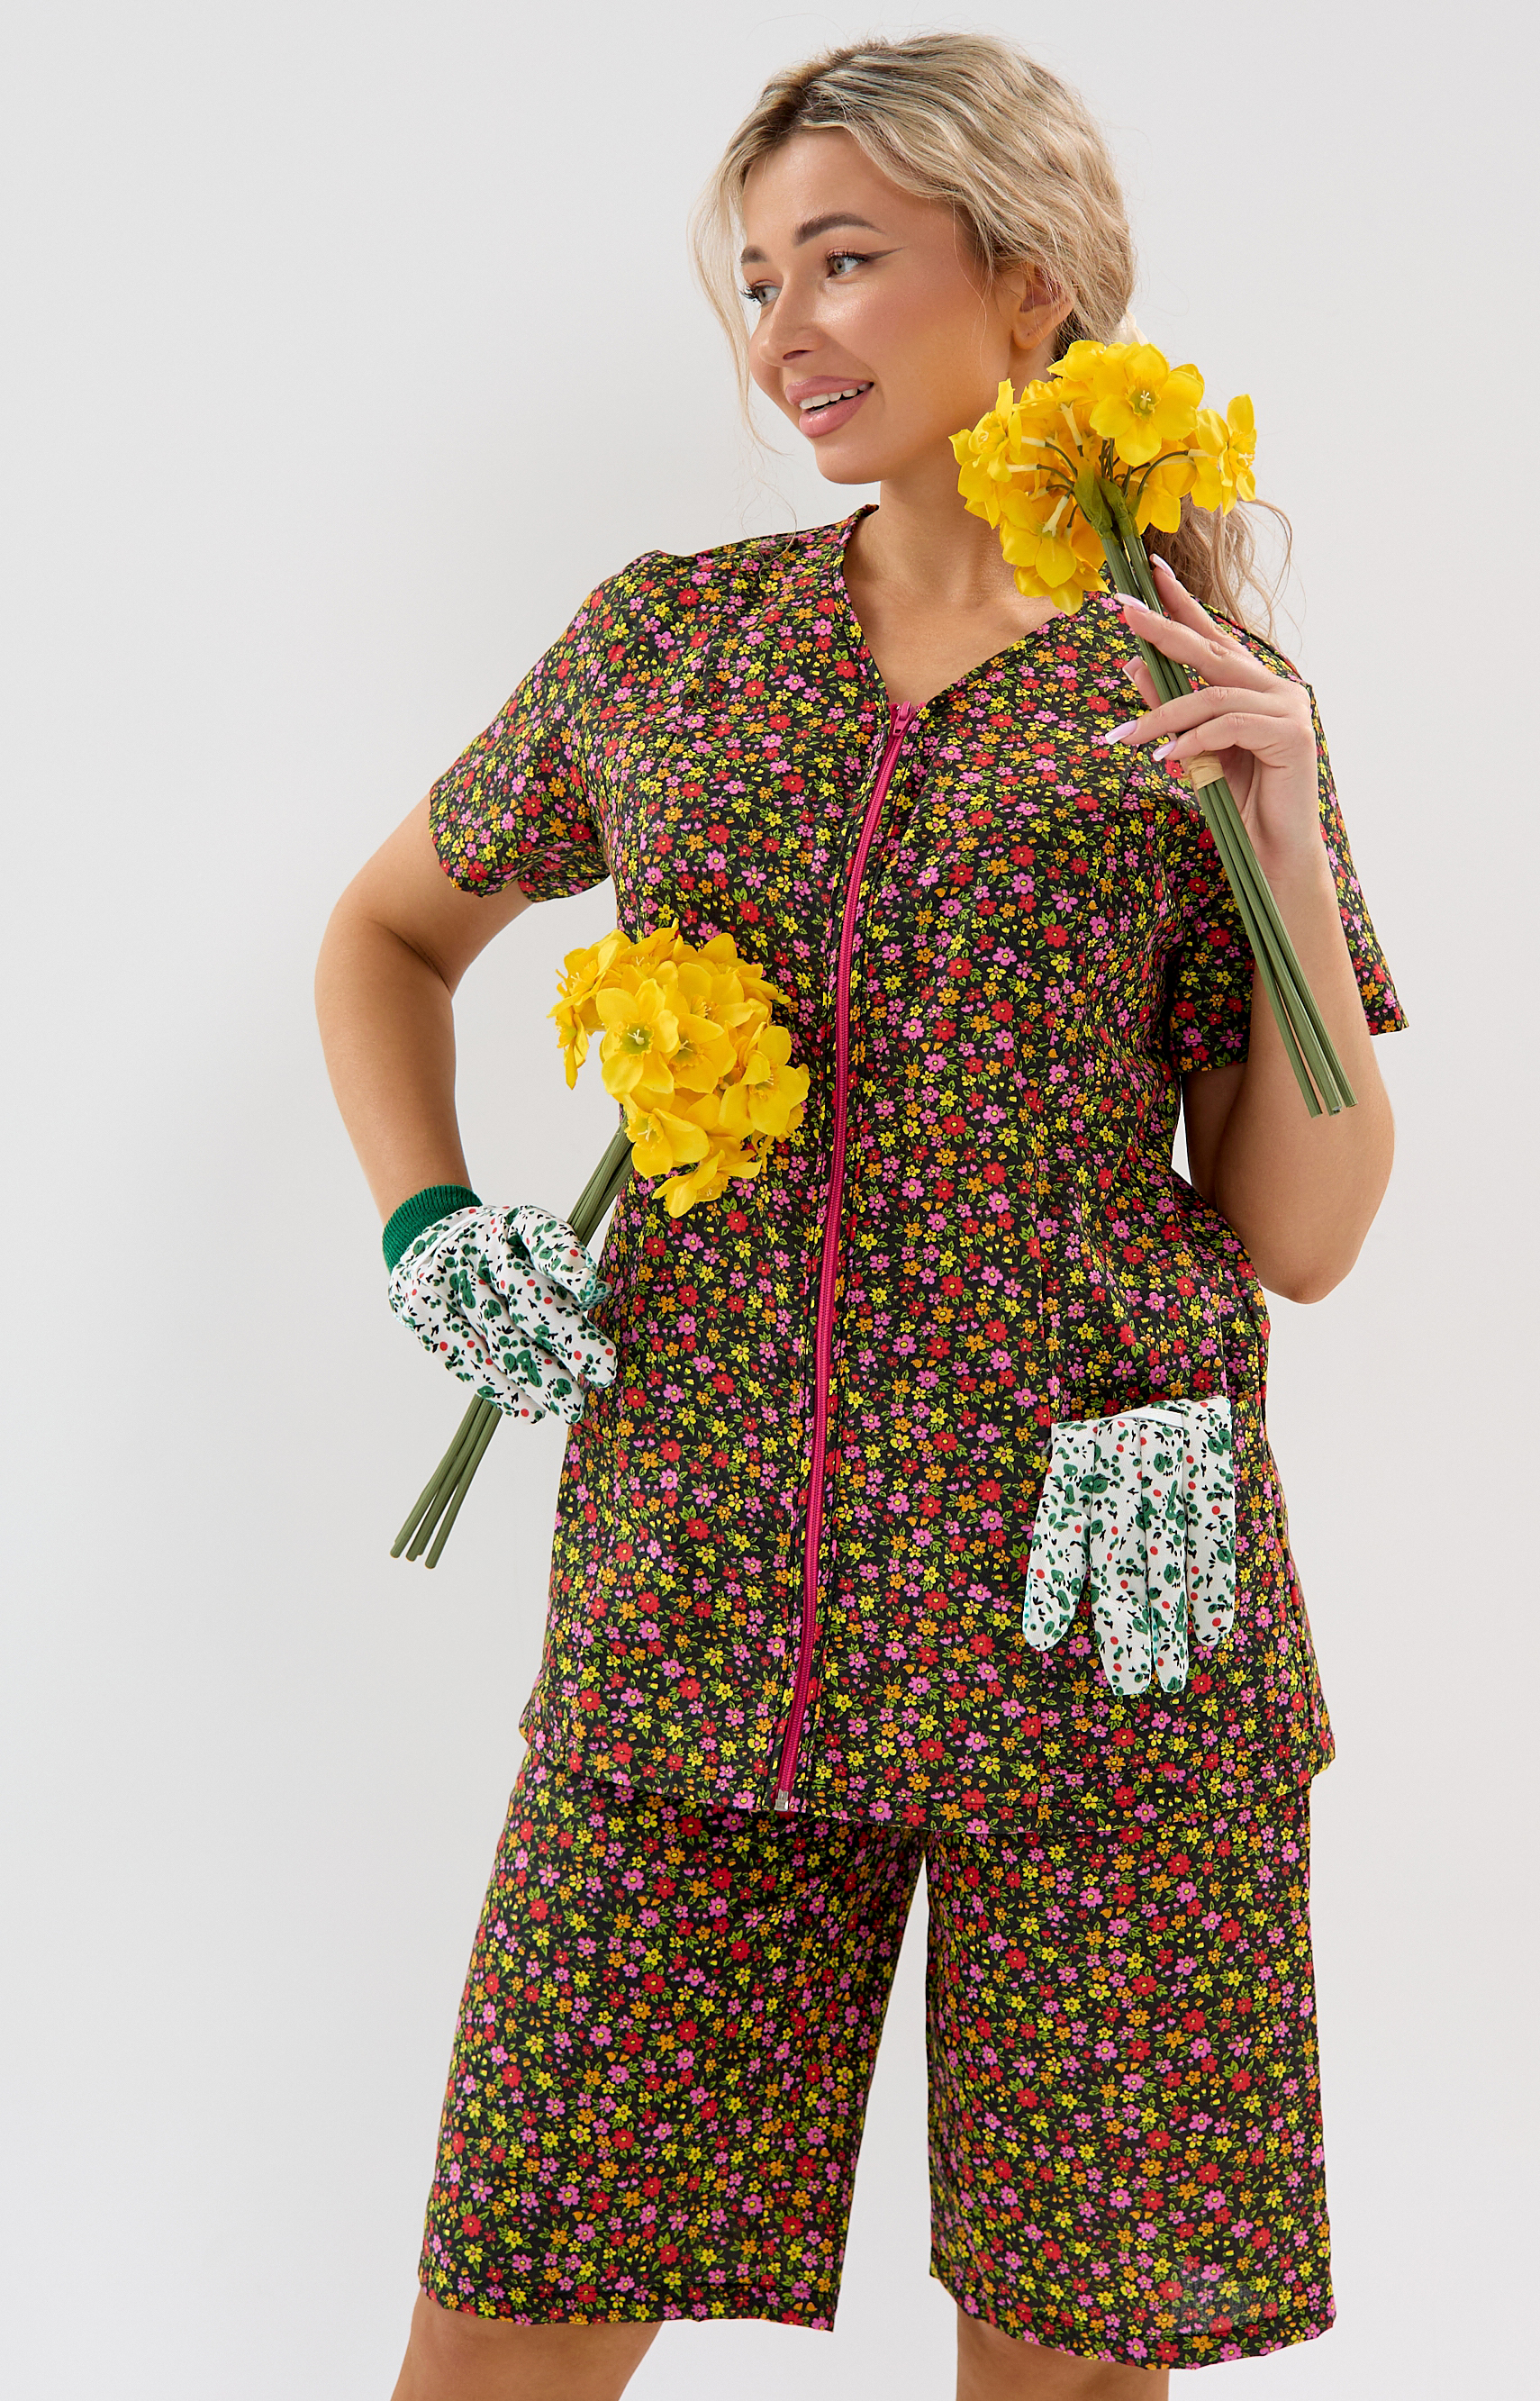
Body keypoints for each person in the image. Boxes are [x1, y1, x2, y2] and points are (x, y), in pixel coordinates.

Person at [315, 32, 1404, 2401]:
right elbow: (385, 935)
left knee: (1078, 2328)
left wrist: (1286, 833)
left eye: (840, 261)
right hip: (706, 1582)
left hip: (1104, 1593)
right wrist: (431, 1231)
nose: (784, 328)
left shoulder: (1190, 691)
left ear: (1028, 288)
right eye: (755, 280)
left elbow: (1305, 1227)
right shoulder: (668, 647)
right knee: (520, 2282)